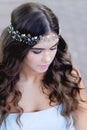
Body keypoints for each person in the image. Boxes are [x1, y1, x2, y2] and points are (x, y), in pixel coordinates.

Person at [0, 2, 87, 130]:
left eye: (53, 48)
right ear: (19, 49)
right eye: (37, 51)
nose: (47, 58)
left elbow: (82, 119)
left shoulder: (68, 76)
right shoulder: (3, 85)